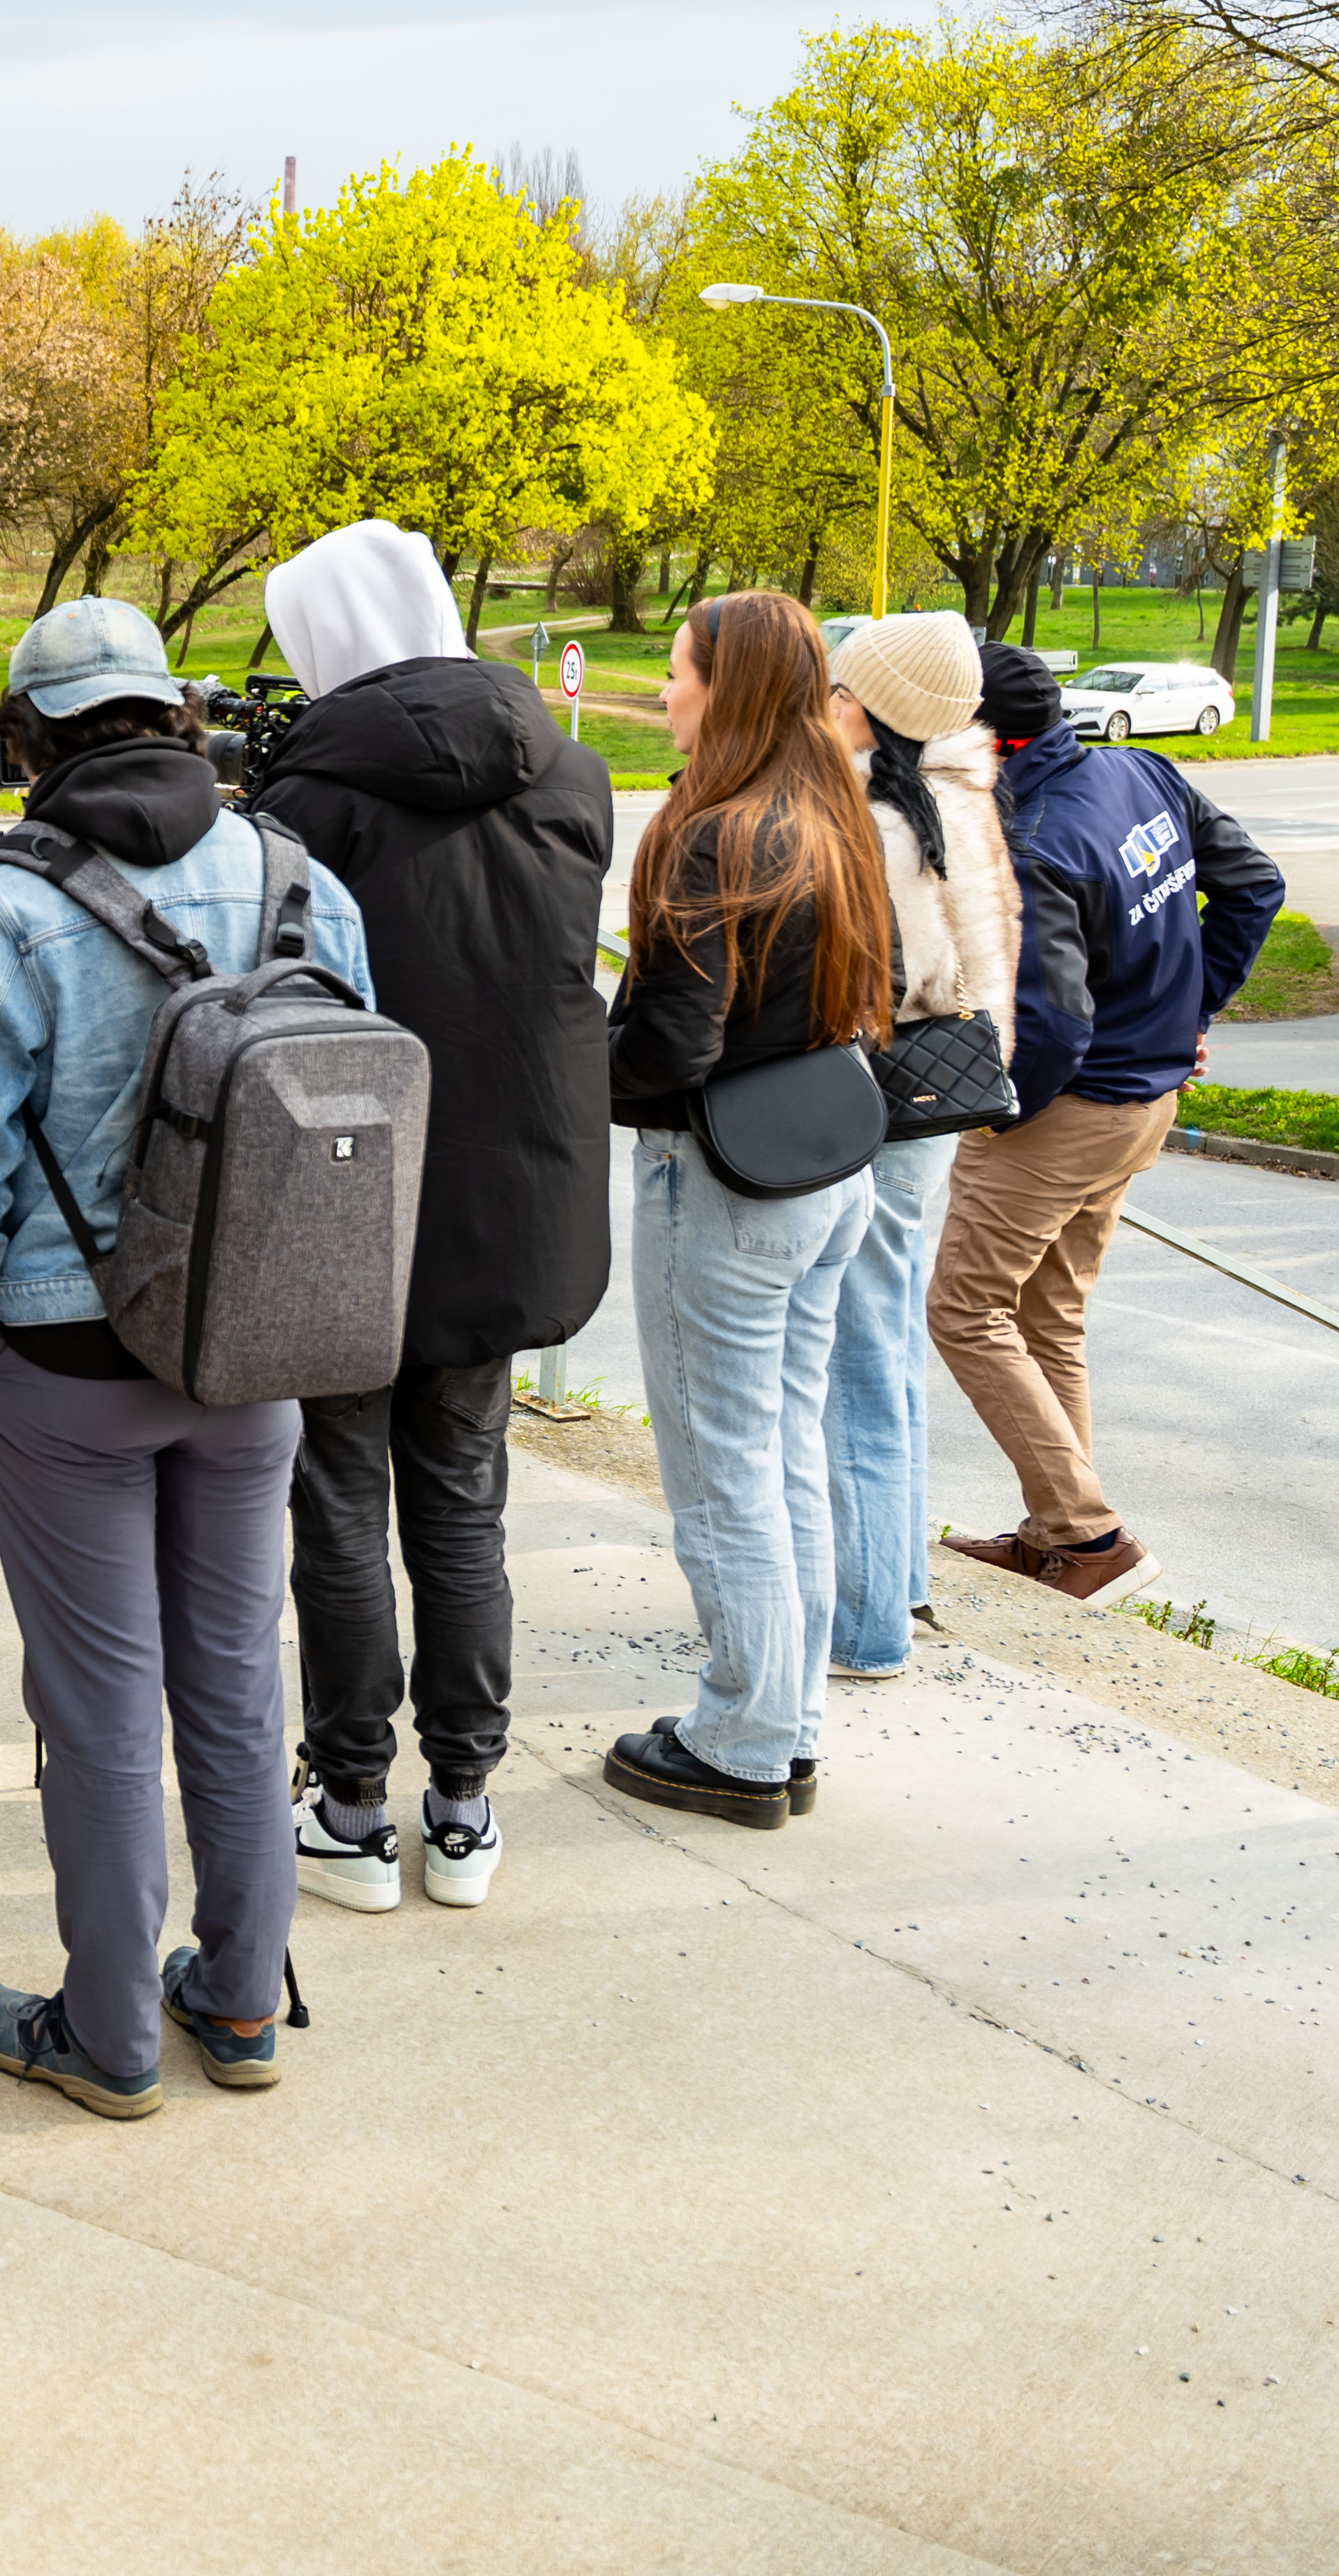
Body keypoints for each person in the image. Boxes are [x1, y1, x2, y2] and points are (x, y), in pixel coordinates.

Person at [0, 598, 369, 2118]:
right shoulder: (298, 871)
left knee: (100, 1703)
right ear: (171, 713)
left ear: (31, 734)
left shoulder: (9, 895)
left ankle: (106, 2035)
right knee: (237, 1681)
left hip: (66, 1357)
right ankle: (239, 2002)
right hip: (257, 1348)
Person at [245, 523, 609, 1915]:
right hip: (513, 1196)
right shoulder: (570, 770)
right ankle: (462, 1808)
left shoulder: (307, 800)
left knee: (337, 1507)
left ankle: (348, 1802)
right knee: (464, 1508)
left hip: (350, 1191)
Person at [601, 590, 896, 1832]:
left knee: (721, 1473)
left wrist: (574, 1069)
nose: (664, 693)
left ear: (726, 690)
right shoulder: (834, 816)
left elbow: (673, 1039)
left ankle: (739, 1735)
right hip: (827, 1170)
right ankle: (788, 1719)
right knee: (782, 1457)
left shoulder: (707, 831)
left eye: (675, 673)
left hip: (717, 1183)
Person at [932, 638, 1285, 1605]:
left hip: (1065, 1113)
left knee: (964, 1311)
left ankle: (1090, 1535)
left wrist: (1000, 1114)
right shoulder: (1141, 772)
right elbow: (1253, 887)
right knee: (1049, 1313)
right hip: (1145, 1099)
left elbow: (1049, 1023)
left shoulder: (1034, 839)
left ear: (985, 744)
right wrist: (1190, 1013)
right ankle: (1060, 1533)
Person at [821, 614, 1011, 1679]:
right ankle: (899, 1579)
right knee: (888, 1345)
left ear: (869, 704)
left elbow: (875, 980)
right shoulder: (965, 795)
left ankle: (866, 1625)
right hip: (940, 1103)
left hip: (882, 1101)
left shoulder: (881, 817)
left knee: (859, 1353)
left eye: (843, 686)